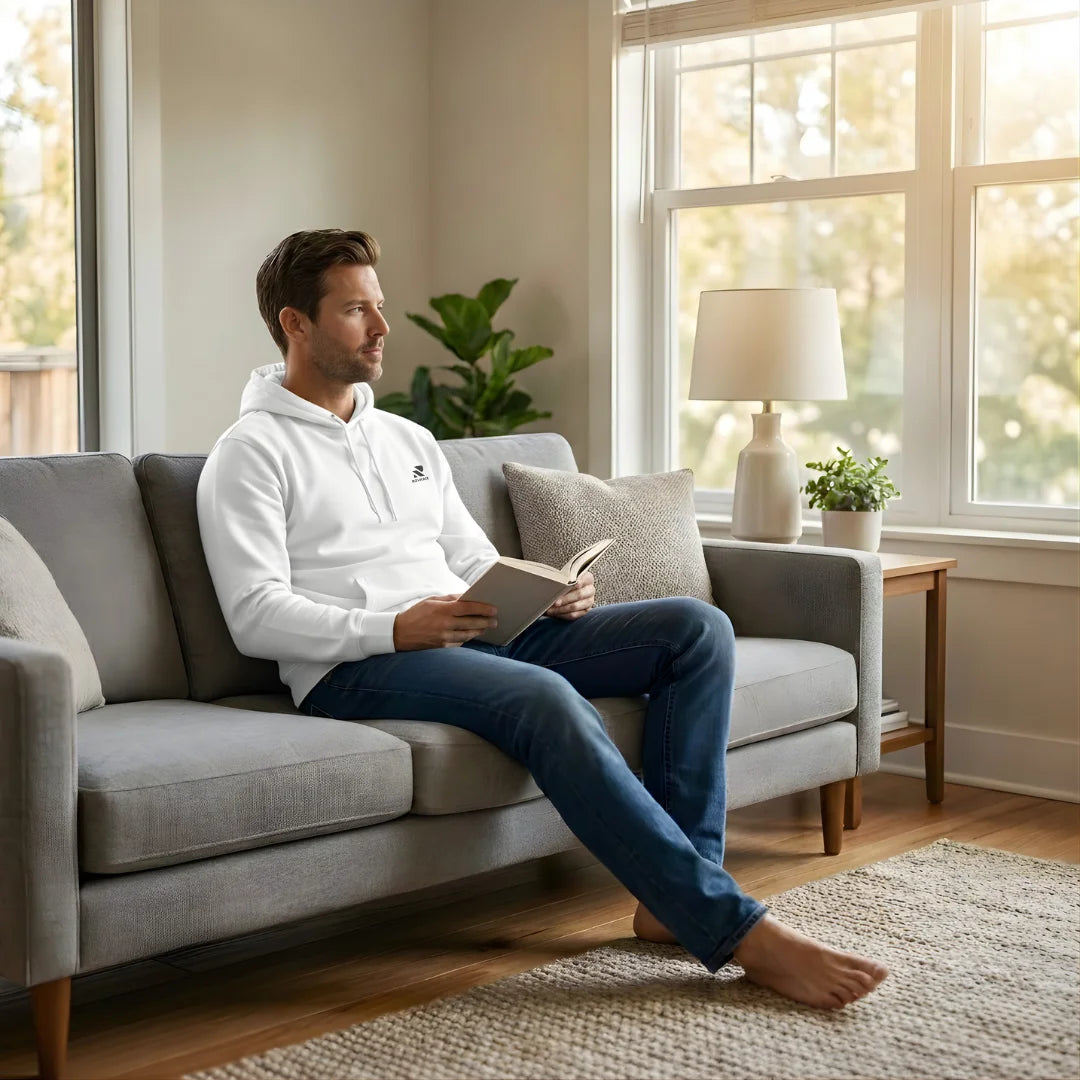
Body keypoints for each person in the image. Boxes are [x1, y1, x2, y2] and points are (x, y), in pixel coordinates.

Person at [197, 228, 888, 1010]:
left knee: (696, 630)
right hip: (355, 666)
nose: (383, 328)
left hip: (473, 632)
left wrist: (545, 589)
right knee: (544, 698)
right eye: (358, 311)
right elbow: (254, 615)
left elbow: (464, 556)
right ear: (296, 324)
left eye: (380, 307)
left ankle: (672, 899)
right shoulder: (250, 452)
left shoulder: (406, 438)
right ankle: (733, 928)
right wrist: (395, 629)